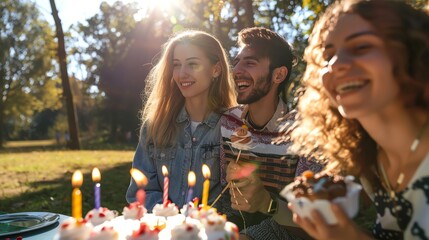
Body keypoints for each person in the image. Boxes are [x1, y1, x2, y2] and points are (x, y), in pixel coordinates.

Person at [289, 0, 429, 239]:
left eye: (362, 47)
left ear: (414, 52)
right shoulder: (372, 161)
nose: (336, 65)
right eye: (328, 55)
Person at [218, 27, 322, 239]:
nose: (236, 70)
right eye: (237, 62)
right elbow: (224, 195)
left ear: (279, 75)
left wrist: (266, 202)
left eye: (250, 62)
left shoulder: (305, 132)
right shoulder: (229, 122)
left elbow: (311, 220)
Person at [126, 30, 237, 210]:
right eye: (176, 65)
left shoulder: (233, 128)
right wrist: (174, 219)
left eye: (193, 64)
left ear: (216, 70)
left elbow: (236, 201)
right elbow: (139, 193)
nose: (181, 74)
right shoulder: (155, 125)